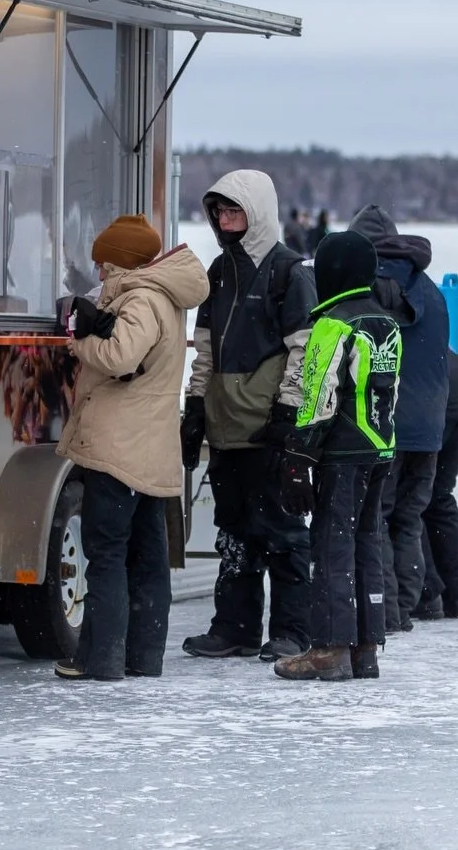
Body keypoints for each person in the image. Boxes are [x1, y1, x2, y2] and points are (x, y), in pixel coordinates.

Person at [54, 214, 208, 681]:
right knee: (148, 557)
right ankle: (143, 656)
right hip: (149, 447)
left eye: (102, 263)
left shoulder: (140, 298)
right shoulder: (163, 296)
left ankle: (100, 659)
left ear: (119, 263)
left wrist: (79, 343)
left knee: (106, 554)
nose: (98, 271)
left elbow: (121, 358)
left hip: (118, 448)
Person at [181, 171, 317, 663]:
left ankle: (292, 630)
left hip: (268, 427)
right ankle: (234, 627)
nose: (224, 221)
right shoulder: (219, 272)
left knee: (282, 533)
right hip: (226, 426)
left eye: (234, 211)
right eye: (219, 212)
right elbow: (204, 349)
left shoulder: (289, 273)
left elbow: (305, 351)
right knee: (234, 532)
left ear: (257, 212)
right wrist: (196, 405)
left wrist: (288, 412)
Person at [271, 231, 401, 681]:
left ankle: (329, 648)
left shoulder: (333, 324)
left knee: (331, 546)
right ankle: (365, 646)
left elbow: (319, 395)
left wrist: (299, 456)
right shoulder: (385, 322)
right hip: (380, 448)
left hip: (341, 453)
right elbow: (390, 390)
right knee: (366, 542)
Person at [348, 205, 448, 634]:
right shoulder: (431, 291)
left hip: (384, 422)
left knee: (376, 519)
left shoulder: (364, 288)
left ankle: (387, 612)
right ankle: (406, 605)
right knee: (408, 518)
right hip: (429, 425)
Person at [416, 349, 458, 620]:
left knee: (410, 500)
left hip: (430, 397)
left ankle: (429, 593)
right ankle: (457, 593)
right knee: (438, 495)